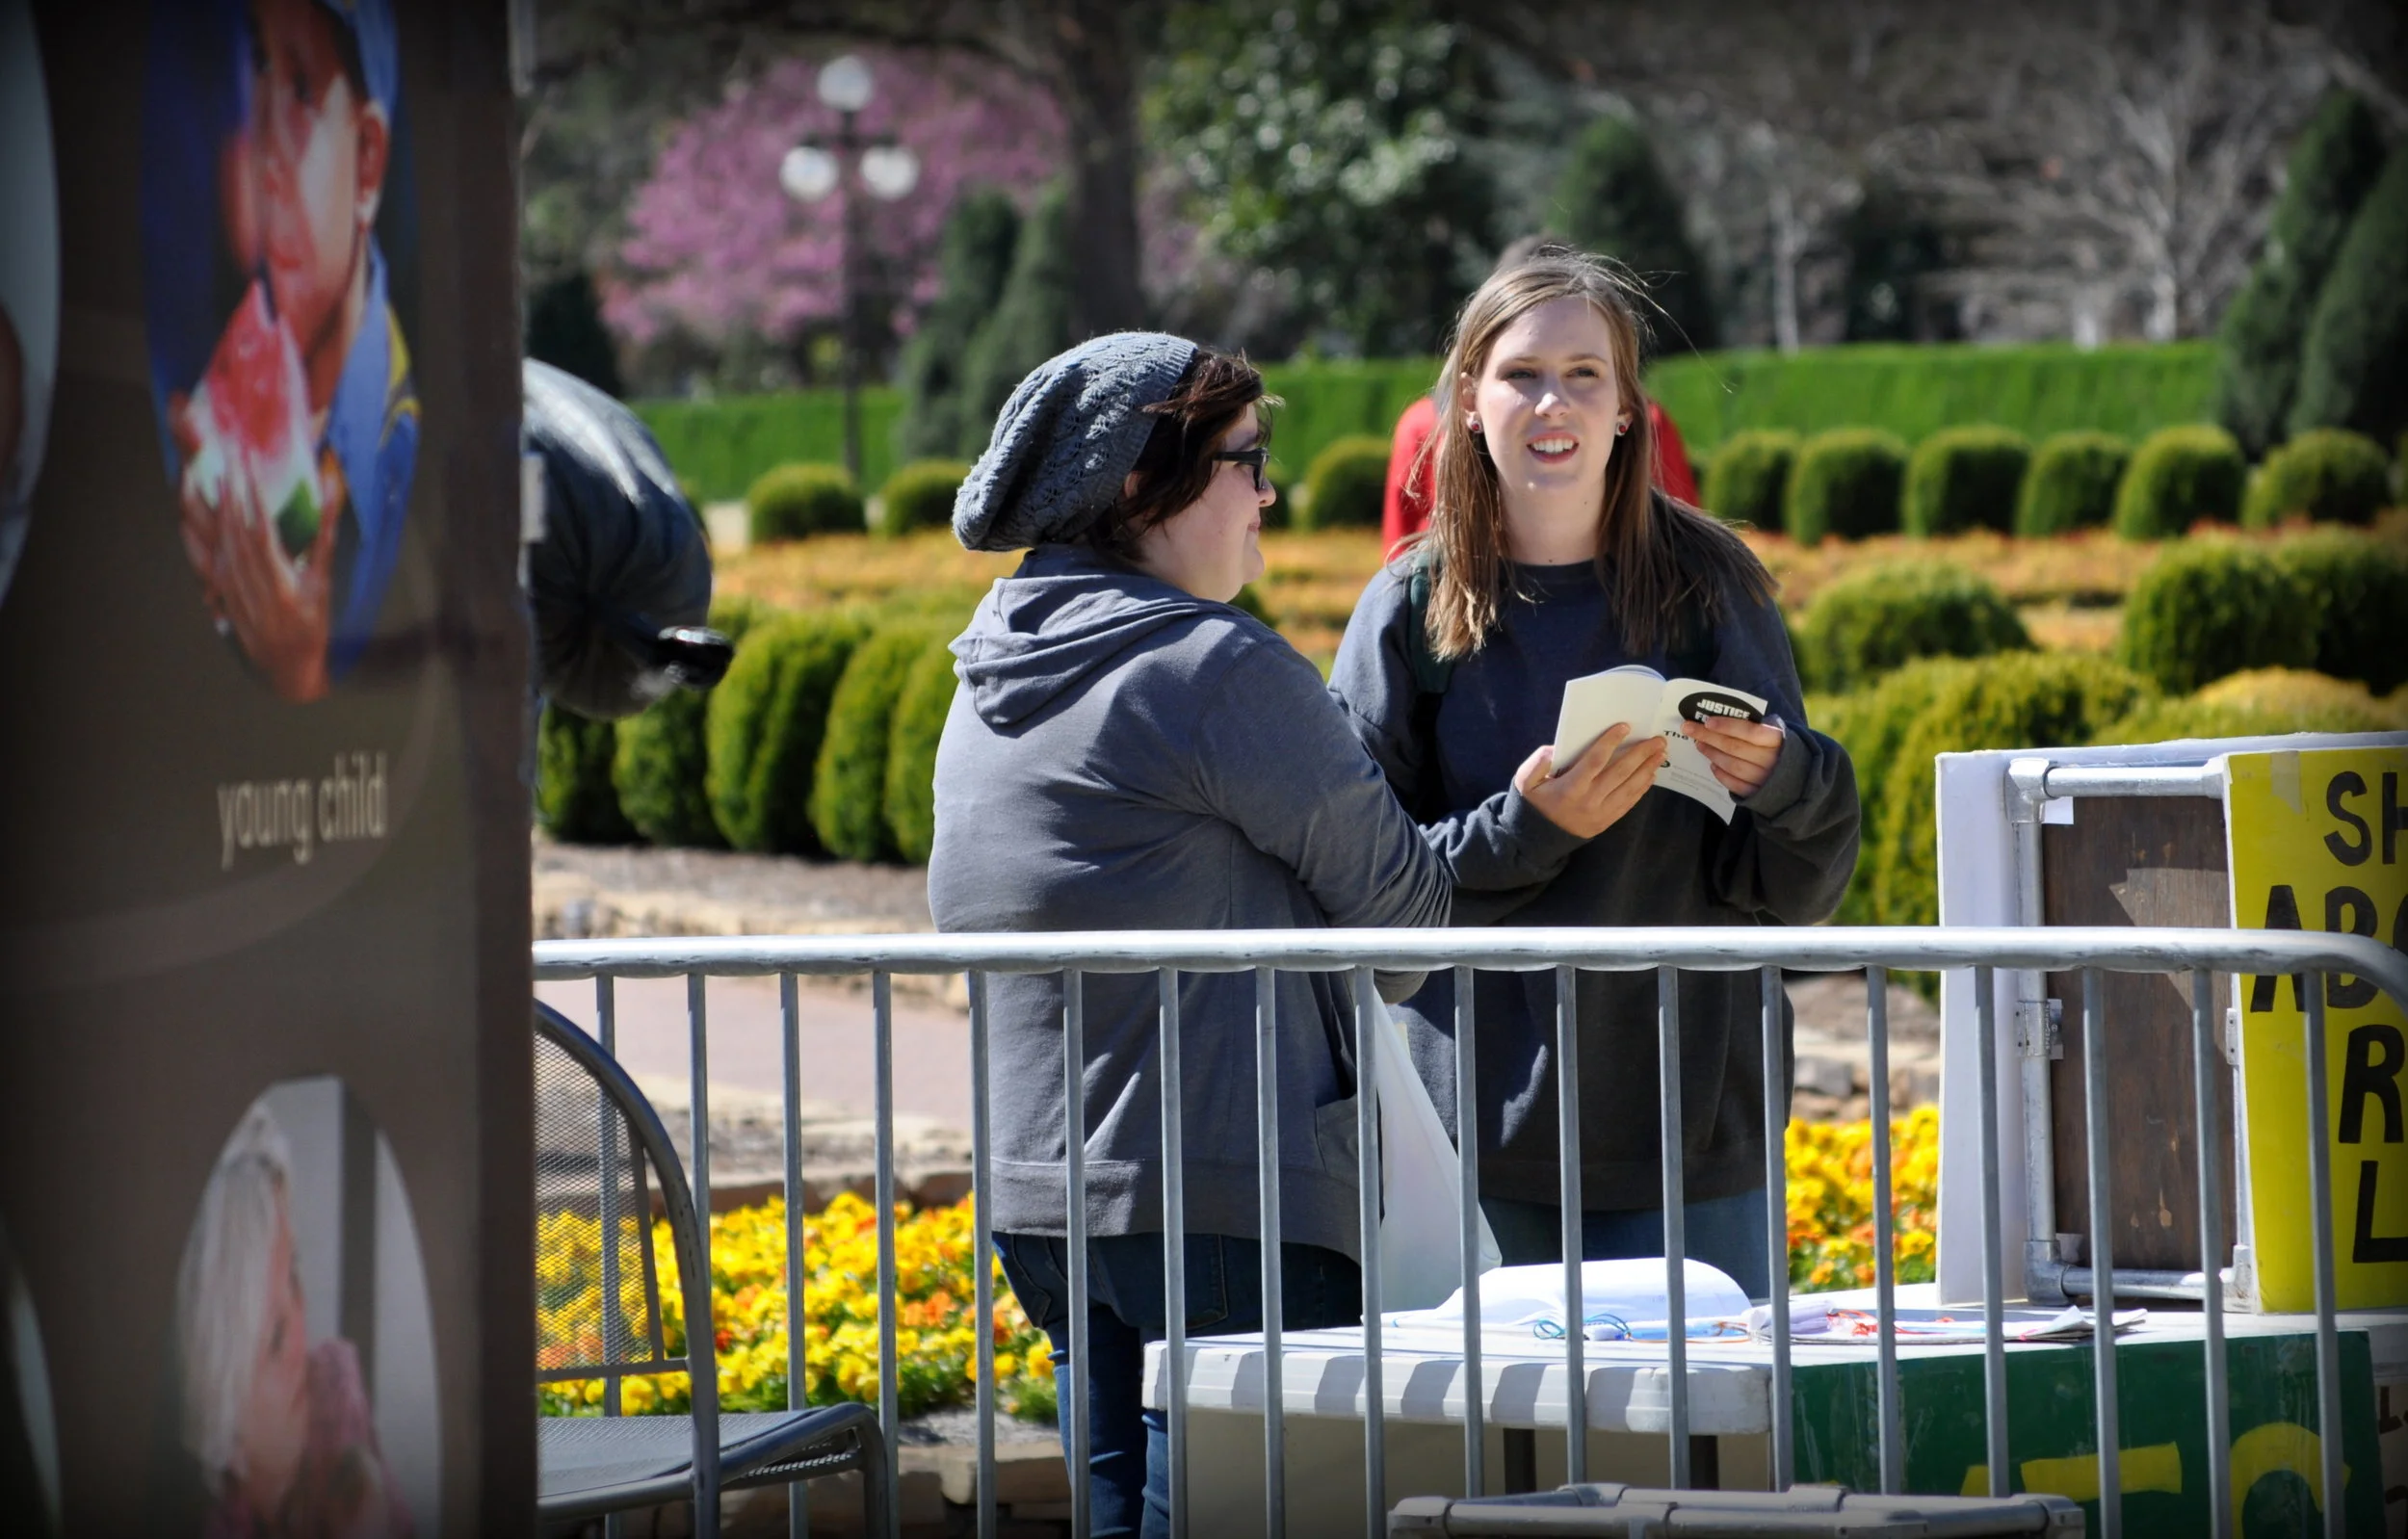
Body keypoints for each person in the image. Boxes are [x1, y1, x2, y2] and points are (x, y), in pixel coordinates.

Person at [929, 331, 1662, 1538]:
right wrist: (1529, 823)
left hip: (1042, 1194)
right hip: (1226, 1192)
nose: (1270, 492)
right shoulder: (1213, 667)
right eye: (1245, 459)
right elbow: (1408, 926)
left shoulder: (993, 659)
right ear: (1137, 483)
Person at [1330, 248, 1859, 1298]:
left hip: (1696, 1129)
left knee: (1707, 1451)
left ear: (1628, 411)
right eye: (1520, 372)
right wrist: (1526, 826)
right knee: (1498, 1455)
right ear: (1468, 403)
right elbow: (1357, 886)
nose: (1551, 400)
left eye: (1585, 373)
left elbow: (1798, 889)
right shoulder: (1407, 605)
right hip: (1476, 1138)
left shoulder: (1715, 584)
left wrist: (1788, 777)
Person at [170, 0, 415, 702]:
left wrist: (298, 674)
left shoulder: (402, 449)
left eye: (303, 90)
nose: (264, 155)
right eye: (257, 70)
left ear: (368, 163)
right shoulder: (228, 407)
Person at [174, 1105, 409, 1538]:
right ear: (217, 1393)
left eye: (295, 1277)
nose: (305, 1331)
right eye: (276, 1338)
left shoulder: (334, 1389)